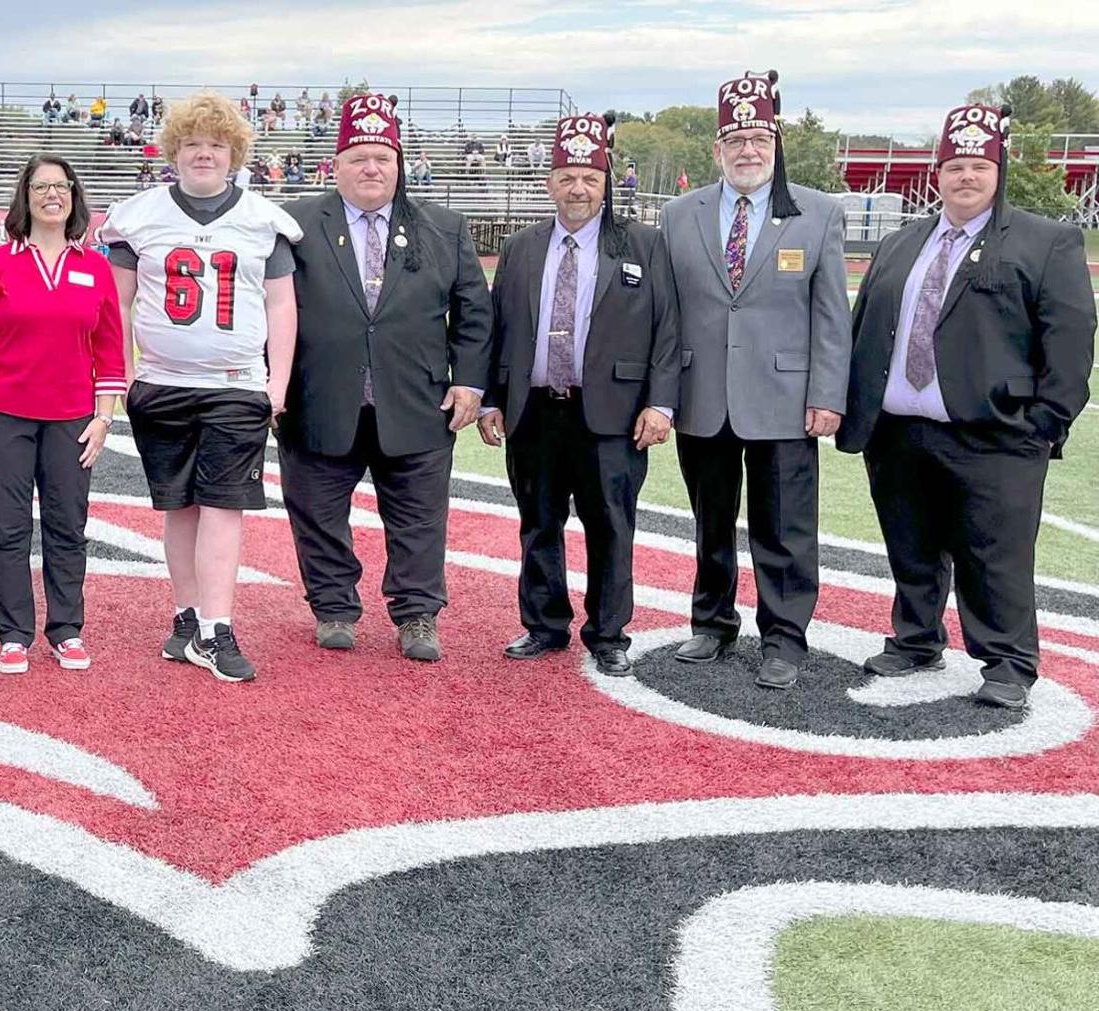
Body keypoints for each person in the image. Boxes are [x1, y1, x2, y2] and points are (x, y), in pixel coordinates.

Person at [837, 104, 1095, 710]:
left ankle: (1007, 662)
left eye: (978, 166)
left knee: (996, 555)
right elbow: (866, 327)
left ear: (998, 170)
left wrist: (1043, 425)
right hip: (899, 430)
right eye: (954, 166)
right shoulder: (903, 242)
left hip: (996, 435)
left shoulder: (1045, 241)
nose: (965, 178)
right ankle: (916, 638)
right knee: (910, 545)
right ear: (938, 173)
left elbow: (1070, 341)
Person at [99, 91, 302, 683]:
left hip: (237, 385)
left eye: (216, 145)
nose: (204, 154)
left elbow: (281, 306)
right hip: (161, 382)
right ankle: (186, 616)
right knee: (178, 504)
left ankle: (217, 626)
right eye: (192, 144)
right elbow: (116, 301)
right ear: (174, 151)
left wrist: (277, 381)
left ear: (235, 152)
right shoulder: (138, 215)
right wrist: (124, 372)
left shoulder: (264, 221)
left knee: (223, 504)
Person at [278, 92, 490, 660]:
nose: (372, 168)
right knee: (317, 512)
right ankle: (333, 607)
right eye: (359, 157)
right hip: (318, 396)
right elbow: (268, 305)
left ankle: (417, 614)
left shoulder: (442, 227)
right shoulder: (295, 224)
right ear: (336, 164)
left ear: (399, 164)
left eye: (383, 158)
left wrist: (469, 382)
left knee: (420, 518)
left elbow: (474, 311)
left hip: (417, 401)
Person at [659, 71, 849, 690]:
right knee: (711, 520)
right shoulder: (678, 214)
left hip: (786, 401)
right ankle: (712, 622)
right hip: (703, 397)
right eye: (735, 140)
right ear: (717, 149)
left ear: (776, 146)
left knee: (784, 526)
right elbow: (666, 313)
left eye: (759, 141)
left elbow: (831, 315)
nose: (747, 151)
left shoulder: (818, 213)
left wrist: (827, 393)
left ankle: (785, 639)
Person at [477, 113, 679, 675]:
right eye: (567, 176)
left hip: (612, 413)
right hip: (535, 409)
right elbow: (499, 328)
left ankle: (609, 632)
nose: (578, 188)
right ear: (550, 182)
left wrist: (661, 403)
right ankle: (543, 624)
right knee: (538, 520)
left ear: (606, 182)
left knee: (611, 524)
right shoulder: (521, 247)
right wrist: (493, 398)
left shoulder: (644, 243)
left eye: (590, 177)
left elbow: (669, 329)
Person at [0, 156, 125, 675]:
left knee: (67, 526)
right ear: (24, 197)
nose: (53, 194)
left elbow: (111, 350)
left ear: (74, 196)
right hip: (4, 418)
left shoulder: (94, 266)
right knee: (6, 529)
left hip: (73, 421)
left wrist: (103, 418)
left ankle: (66, 629)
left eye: (62, 185)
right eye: (41, 186)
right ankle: (13, 634)